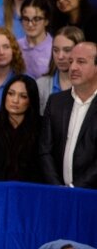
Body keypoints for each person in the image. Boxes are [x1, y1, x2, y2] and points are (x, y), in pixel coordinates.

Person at [39, 41, 97, 188]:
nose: (73, 67)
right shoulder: (56, 102)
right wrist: (58, 188)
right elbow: (45, 150)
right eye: (71, 61)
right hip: (58, 194)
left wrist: (75, 189)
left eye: (81, 62)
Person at [0, 74, 42, 181]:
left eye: (23, 96)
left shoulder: (41, 129)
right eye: (11, 94)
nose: (15, 100)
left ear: (31, 101)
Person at [36, 26, 84, 114]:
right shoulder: (41, 85)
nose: (60, 56)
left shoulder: (90, 86)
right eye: (56, 50)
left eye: (67, 50)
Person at [17, 0, 53, 78]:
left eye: (36, 19)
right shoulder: (16, 46)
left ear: (46, 21)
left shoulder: (54, 49)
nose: (30, 24)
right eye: (26, 19)